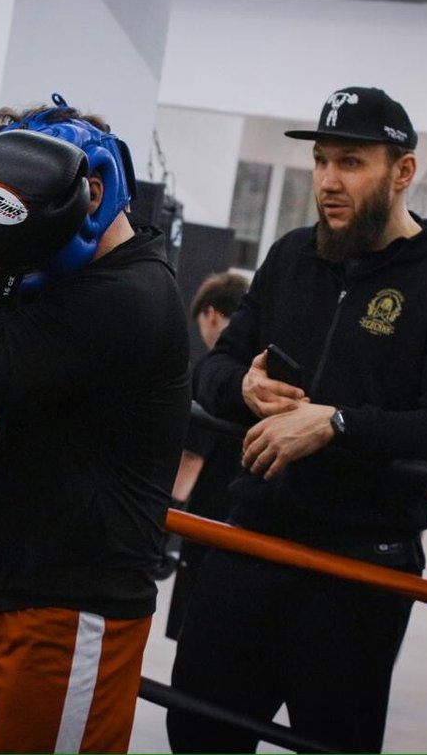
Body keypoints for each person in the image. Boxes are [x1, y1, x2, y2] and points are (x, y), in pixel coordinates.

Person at [167, 86, 427, 754]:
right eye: (321, 161)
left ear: (402, 172)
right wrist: (244, 387)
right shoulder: (291, 257)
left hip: (358, 567)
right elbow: (212, 369)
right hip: (253, 540)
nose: (327, 181)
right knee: (197, 731)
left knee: (332, 743)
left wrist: (337, 424)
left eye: (350, 162)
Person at [0, 95, 191, 753]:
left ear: (90, 194)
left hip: (75, 613)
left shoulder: (127, 296)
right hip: (12, 593)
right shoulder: (78, 282)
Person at [164, 270, 249, 640]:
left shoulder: (212, 374)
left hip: (207, 518)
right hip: (246, 519)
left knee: (194, 633)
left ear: (211, 314)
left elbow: (191, 459)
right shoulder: (259, 372)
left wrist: (165, 526)